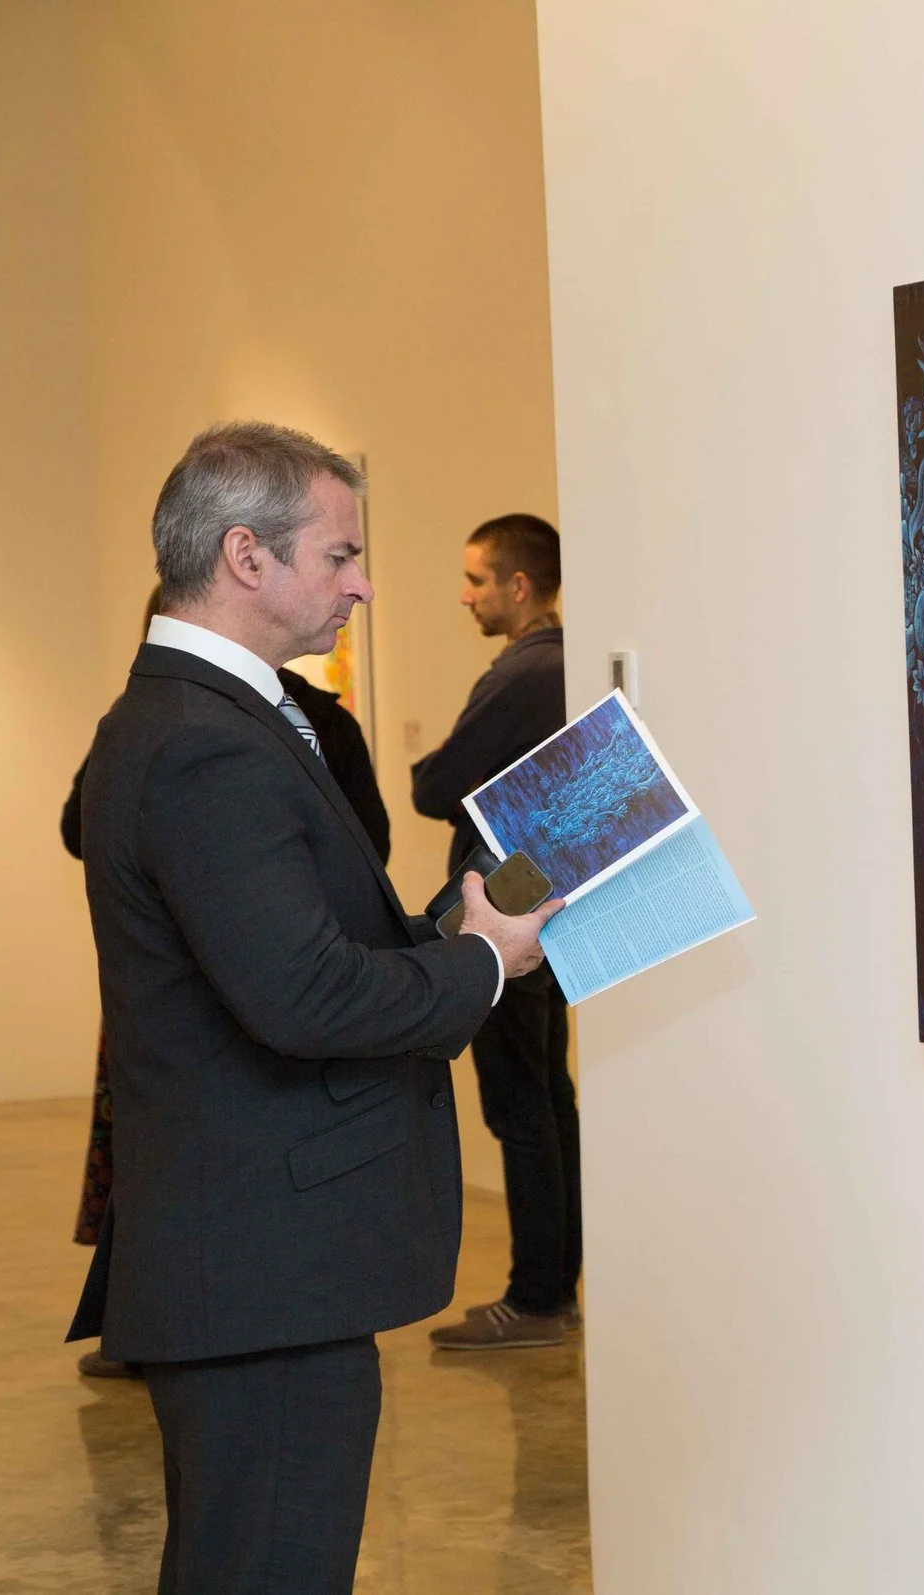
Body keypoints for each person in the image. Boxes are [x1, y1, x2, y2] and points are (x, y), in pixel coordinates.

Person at [68, 422, 560, 1594]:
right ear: (246, 555)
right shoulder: (203, 742)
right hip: (260, 1277)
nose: (365, 581)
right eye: (339, 554)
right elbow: (303, 992)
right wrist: (484, 962)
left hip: (251, 1268)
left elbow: (300, 944)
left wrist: (461, 921)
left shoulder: (211, 717)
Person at [59, 584, 395, 1381]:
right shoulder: (185, 730)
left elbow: (364, 847)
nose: (358, 586)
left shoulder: (276, 723)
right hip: (250, 1010)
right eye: (338, 557)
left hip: (286, 995)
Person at [410, 513, 583, 1349]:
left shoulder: (523, 674)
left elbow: (432, 781)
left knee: (522, 1103)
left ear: (520, 586)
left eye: (478, 579)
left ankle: (537, 1297)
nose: (466, 594)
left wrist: (443, 779)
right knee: (550, 1095)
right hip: (549, 899)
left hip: (505, 911)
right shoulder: (569, 665)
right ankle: (555, 1291)